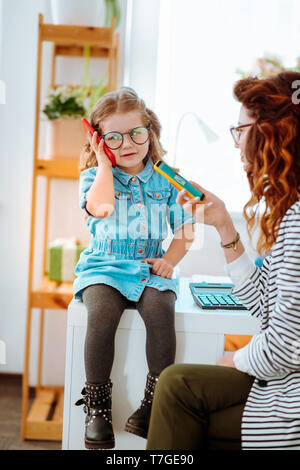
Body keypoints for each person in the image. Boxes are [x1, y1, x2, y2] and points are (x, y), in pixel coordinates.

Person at [146, 72, 300, 450]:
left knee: (176, 387)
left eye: (240, 130)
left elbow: (285, 346)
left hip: (290, 396)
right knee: (176, 383)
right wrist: (223, 225)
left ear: (271, 135)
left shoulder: (297, 220)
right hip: (285, 381)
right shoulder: (291, 213)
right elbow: (265, 306)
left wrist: (238, 359)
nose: (237, 143)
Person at [73, 87, 195, 449]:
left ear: (150, 132)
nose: (127, 143)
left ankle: (152, 403)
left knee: (161, 311)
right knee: (102, 316)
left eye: (136, 133)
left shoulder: (169, 178)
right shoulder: (93, 177)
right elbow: (103, 209)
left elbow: (187, 229)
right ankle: (97, 408)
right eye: (113, 137)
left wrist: (169, 260)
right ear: (99, 141)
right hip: (104, 266)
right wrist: (105, 164)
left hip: (148, 266)